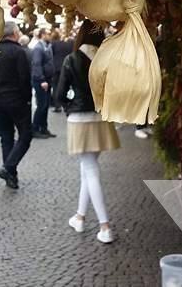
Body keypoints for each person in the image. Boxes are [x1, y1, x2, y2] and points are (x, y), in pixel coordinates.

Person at [55, 20, 120, 244]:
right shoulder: (106, 61)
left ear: (80, 36)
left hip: (79, 120)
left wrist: (70, 106)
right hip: (101, 118)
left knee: (90, 170)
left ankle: (105, 226)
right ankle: (80, 217)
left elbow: (60, 95)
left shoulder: (71, 60)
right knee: (88, 169)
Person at [0, 21, 33, 189]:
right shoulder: (19, 52)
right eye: (18, 31)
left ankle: (11, 177)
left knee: (6, 138)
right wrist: (27, 98)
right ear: (13, 33)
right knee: (25, 135)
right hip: (17, 100)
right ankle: (9, 167)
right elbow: (24, 78)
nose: (19, 34)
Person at [30, 29, 56, 139]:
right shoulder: (38, 48)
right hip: (41, 81)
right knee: (42, 105)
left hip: (47, 79)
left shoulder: (46, 46)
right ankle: (35, 129)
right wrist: (42, 80)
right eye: (48, 34)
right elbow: (36, 64)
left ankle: (44, 128)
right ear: (43, 35)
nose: (50, 35)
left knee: (45, 105)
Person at [49, 30, 73, 114]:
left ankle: (57, 106)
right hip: (67, 66)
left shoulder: (54, 43)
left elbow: (51, 55)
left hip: (56, 67)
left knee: (56, 87)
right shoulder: (71, 42)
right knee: (68, 85)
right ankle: (67, 105)